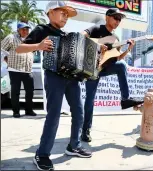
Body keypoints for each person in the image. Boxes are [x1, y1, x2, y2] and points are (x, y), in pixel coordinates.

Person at [16, 1, 92, 170]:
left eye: (67, 15)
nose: (66, 17)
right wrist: (38, 46)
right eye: (62, 13)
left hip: (71, 78)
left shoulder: (66, 34)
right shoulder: (42, 29)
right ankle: (42, 154)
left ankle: (74, 146)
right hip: (54, 76)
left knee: (79, 112)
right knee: (54, 115)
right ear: (50, 12)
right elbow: (19, 48)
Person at [81, 8, 144, 142]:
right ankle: (85, 130)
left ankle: (125, 99)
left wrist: (128, 49)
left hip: (106, 67)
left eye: (119, 19)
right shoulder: (97, 29)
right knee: (89, 100)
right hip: (92, 68)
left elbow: (118, 58)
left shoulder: (116, 38)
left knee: (121, 66)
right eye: (115, 18)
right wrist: (97, 46)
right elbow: (81, 36)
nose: (118, 21)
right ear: (107, 17)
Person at [1, 22, 36, 118]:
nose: (25, 31)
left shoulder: (30, 39)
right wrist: (6, 59)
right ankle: (16, 112)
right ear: (18, 30)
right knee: (15, 92)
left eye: (27, 29)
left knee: (30, 91)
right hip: (14, 69)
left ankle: (29, 110)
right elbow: (2, 48)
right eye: (23, 29)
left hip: (28, 69)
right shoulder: (11, 37)